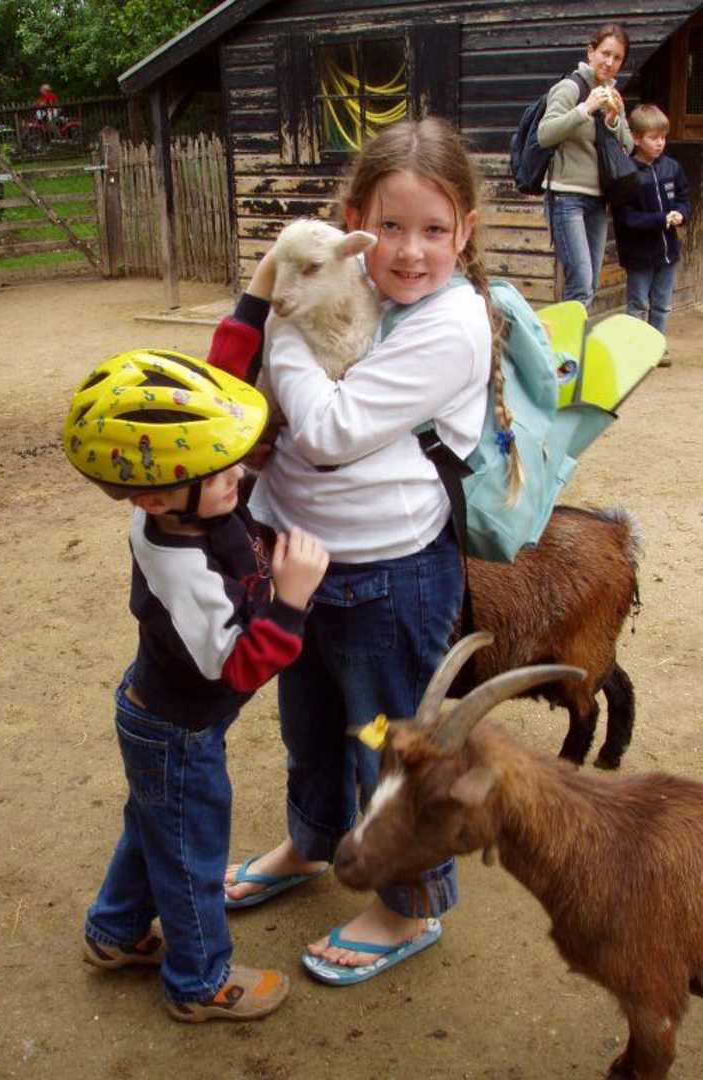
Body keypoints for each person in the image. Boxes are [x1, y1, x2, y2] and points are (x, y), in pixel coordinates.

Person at [207, 117, 516, 985]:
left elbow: (330, 429)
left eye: (434, 229)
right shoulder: (346, 290)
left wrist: (284, 329)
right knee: (308, 725)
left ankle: (408, 903)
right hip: (300, 565)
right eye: (390, 226)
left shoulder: (451, 323)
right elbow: (263, 404)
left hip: (389, 579)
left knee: (392, 744)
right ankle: (312, 842)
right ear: (356, 225)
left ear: (465, 232)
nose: (410, 251)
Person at [62, 349, 329, 1022]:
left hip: (165, 718)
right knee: (189, 853)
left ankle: (115, 931)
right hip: (177, 732)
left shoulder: (184, 508)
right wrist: (291, 601)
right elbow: (238, 666)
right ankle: (198, 981)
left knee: (156, 829)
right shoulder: (180, 567)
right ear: (155, 497)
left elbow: (229, 395)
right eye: (219, 470)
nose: (237, 472)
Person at [537, 23, 634, 309]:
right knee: (580, 285)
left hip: (598, 199)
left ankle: (569, 337)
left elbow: (629, 146)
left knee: (589, 285)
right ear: (590, 52)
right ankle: (566, 340)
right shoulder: (570, 88)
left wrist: (613, 119)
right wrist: (585, 109)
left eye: (617, 58)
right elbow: (545, 134)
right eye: (605, 53)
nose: (610, 62)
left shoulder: (612, 95)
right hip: (566, 197)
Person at [612, 103, 691, 366]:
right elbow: (625, 218)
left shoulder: (672, 167)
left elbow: (684, 199)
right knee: (638, 304)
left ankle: (657, 347)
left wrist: (681, 214)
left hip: (668, 252)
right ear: (636, 138)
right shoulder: (627, 173)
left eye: (663, 137)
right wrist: (661, 220)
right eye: (653, 138)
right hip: (638, 254)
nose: (660, 143)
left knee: (662, 303)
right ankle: (635, 349)